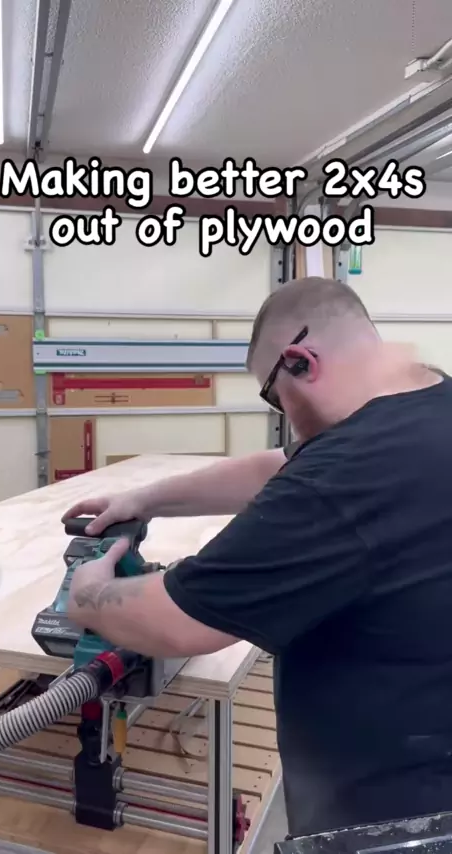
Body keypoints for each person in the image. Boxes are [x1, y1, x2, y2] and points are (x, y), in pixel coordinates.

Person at [63, 276, 452, 838]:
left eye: (273, 395)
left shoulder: (348, 473)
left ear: (300, 362)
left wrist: (87, 592)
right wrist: (143, 499)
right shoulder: (428, 404)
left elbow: (175, 623)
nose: (284, 414)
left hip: (397, 819)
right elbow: (281, 466)